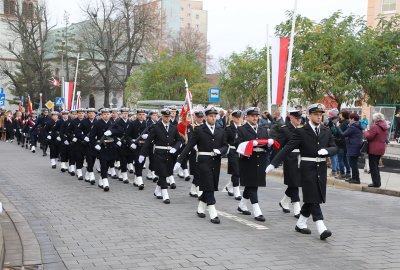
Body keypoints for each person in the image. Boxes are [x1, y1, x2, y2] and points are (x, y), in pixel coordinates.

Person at [266, 103, 337, 240]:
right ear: (309, 115)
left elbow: (335, 147)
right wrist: (273, 163)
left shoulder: (325, 130)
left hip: (321, 168)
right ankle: (321, 227)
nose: (319, 117)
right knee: (313, 197)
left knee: (312, 198)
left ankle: (301, 223)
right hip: (307, 167)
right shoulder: (301, 131)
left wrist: (327, 151)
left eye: (320, 114)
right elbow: (287, 148)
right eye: (316, 114)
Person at [175, 105, 228, 224]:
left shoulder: (221, 130)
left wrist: (220, 151)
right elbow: (189, 146)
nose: (213, 118)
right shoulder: (199, 130)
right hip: (204, 161)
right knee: (208, 185)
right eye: (211, 116)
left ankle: (200, 208)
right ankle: (213, 212)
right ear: (206, 117)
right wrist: (179, 160)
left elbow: (225, 145)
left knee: (211, 186)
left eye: (215, 116)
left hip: (216, 161)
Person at [235, 107, 276, 222]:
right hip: (248, 160)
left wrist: (269, 144)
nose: (255, 118)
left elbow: (267, 145)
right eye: (252, 115)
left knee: (253, 184)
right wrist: (252, 144)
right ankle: (257, 211)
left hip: (261, 160)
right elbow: (238, 144)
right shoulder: (241, 129)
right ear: (246, 117)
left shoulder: (263, 129)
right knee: (253, 186)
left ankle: (242, 205)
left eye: (256, 115)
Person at [139, 108, 183, 204]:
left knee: (166, 173)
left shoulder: (173, 127)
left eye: (168, 116)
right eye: (165, 116)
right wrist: (142, 153)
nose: (167, 118)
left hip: (170, 154)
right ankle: (165, 193)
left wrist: (175, 148)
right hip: (159, 153)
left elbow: (180, 140)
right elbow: (148, 141)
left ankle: (157, 191)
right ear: (162, 116)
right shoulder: (156, 127)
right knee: (162, 173)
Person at [273, 110, 303, 218]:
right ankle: (297, 208)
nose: (299, 120)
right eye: (297, 118)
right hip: (290, 159)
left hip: (301, 159)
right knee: (294, 184)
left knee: (295, 182)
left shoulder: (302, 129)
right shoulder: (285, 129)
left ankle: (284, 201)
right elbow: (278, 146)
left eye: (300, 118)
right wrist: (275, 161)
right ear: (291, 118)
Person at [89, 108, 118, 191]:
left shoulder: (113, 123)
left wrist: (112, 132)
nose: (106, 115)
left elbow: (120, 131)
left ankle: (101, 180)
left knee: (109, 164)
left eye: (107, 114)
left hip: (111, 147)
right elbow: (91, 136)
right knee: (104, 165)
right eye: (104, 114)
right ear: (101, 115)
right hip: (102, 147)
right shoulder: (97, 123)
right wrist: (95, 145)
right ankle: (105, 182)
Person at [336, 113, 363, 184]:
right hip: (356, 146)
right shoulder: (357, 125)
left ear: (353, 119)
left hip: (353, 147)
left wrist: (338, 127)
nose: (349, 120)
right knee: (353, 163)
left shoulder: (353, 127)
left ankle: (356, 179)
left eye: (350, 119)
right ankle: (354, 178)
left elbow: (343, 134)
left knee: (353, 164)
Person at [364, 113, 388, 188]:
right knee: (376, 165)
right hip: (380, 148)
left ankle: (376, 183)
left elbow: (369, 137)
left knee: (373, 166)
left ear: (376, 119)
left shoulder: (375, 127)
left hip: (374, 148)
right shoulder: (384, 126)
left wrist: (366, 131)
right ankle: (377, 182)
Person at [224, 110, 243, 200]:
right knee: (236, 171)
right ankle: (236, 191)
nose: (238, 119)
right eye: (236, 117)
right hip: (232, 151)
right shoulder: (228, 128)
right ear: (233, 118)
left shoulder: (243, 128)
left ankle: (229, 186)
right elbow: (225, 140)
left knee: (239, 171)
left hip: (241, 151)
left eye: (239, 117)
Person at [335, 111, 351, 180]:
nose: (339, 116)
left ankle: (342, 174)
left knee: (340, 159)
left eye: (340, 115)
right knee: (345, 159)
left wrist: (336, 127)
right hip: (346, 143)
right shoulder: (348, 122)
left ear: (343, 115)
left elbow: (337, 133)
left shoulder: (343, 123)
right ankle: (348, 173)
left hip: (341, 143)